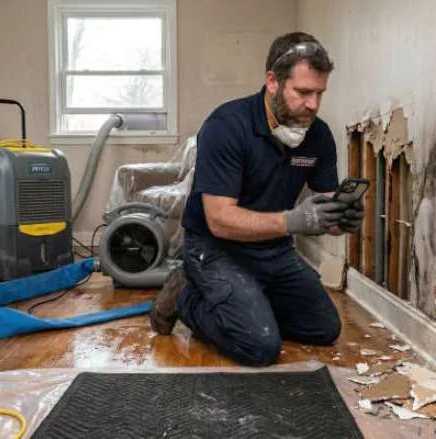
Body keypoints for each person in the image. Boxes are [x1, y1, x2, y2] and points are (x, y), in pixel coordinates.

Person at [150, 32, 365, 366]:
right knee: (260, 347)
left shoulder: (318, 136)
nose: (313, 104)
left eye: (319, 93)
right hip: (215, 249)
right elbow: (219, 219)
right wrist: (292, 221)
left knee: (324, 327)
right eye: (303, 92)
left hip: (273, 250)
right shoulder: (227, 126)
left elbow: (323, 209)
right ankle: (187, 296)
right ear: (272, 82)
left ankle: (247, 301)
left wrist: (343, 219)